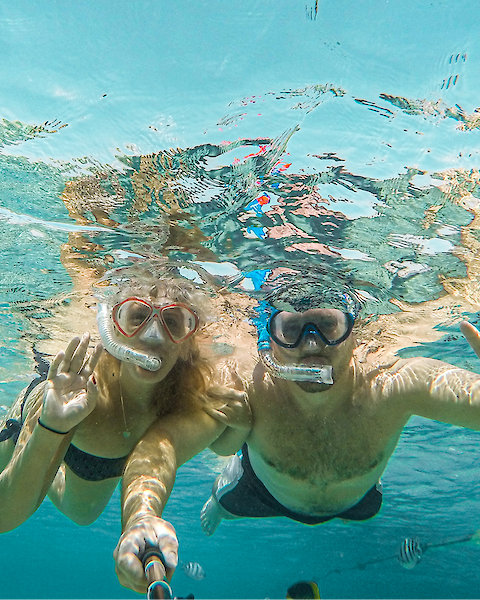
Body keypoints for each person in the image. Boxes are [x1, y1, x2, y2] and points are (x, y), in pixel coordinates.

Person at [113, 280, 480, 593]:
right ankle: (220, 498)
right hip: (259, 493)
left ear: (354, 334)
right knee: (225, 498)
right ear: (269, 339)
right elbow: (163, 443)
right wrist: (141, 515)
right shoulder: (246, 384)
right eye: (292, 329)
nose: (311, 344)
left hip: (360, 502)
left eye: (327, 326)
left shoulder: (395, 383)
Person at [0, 264, 250, 532]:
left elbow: (221, 446)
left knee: (82, 515)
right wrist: (50, 428)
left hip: (97, 456)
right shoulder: (79, 384)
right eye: (138, 317)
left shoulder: (196, 391)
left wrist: (242, 425)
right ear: (113, 328)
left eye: (173, 322)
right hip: (44, 418)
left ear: (188, 340)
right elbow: (4, 517)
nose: (153, 335)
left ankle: (45, 471)